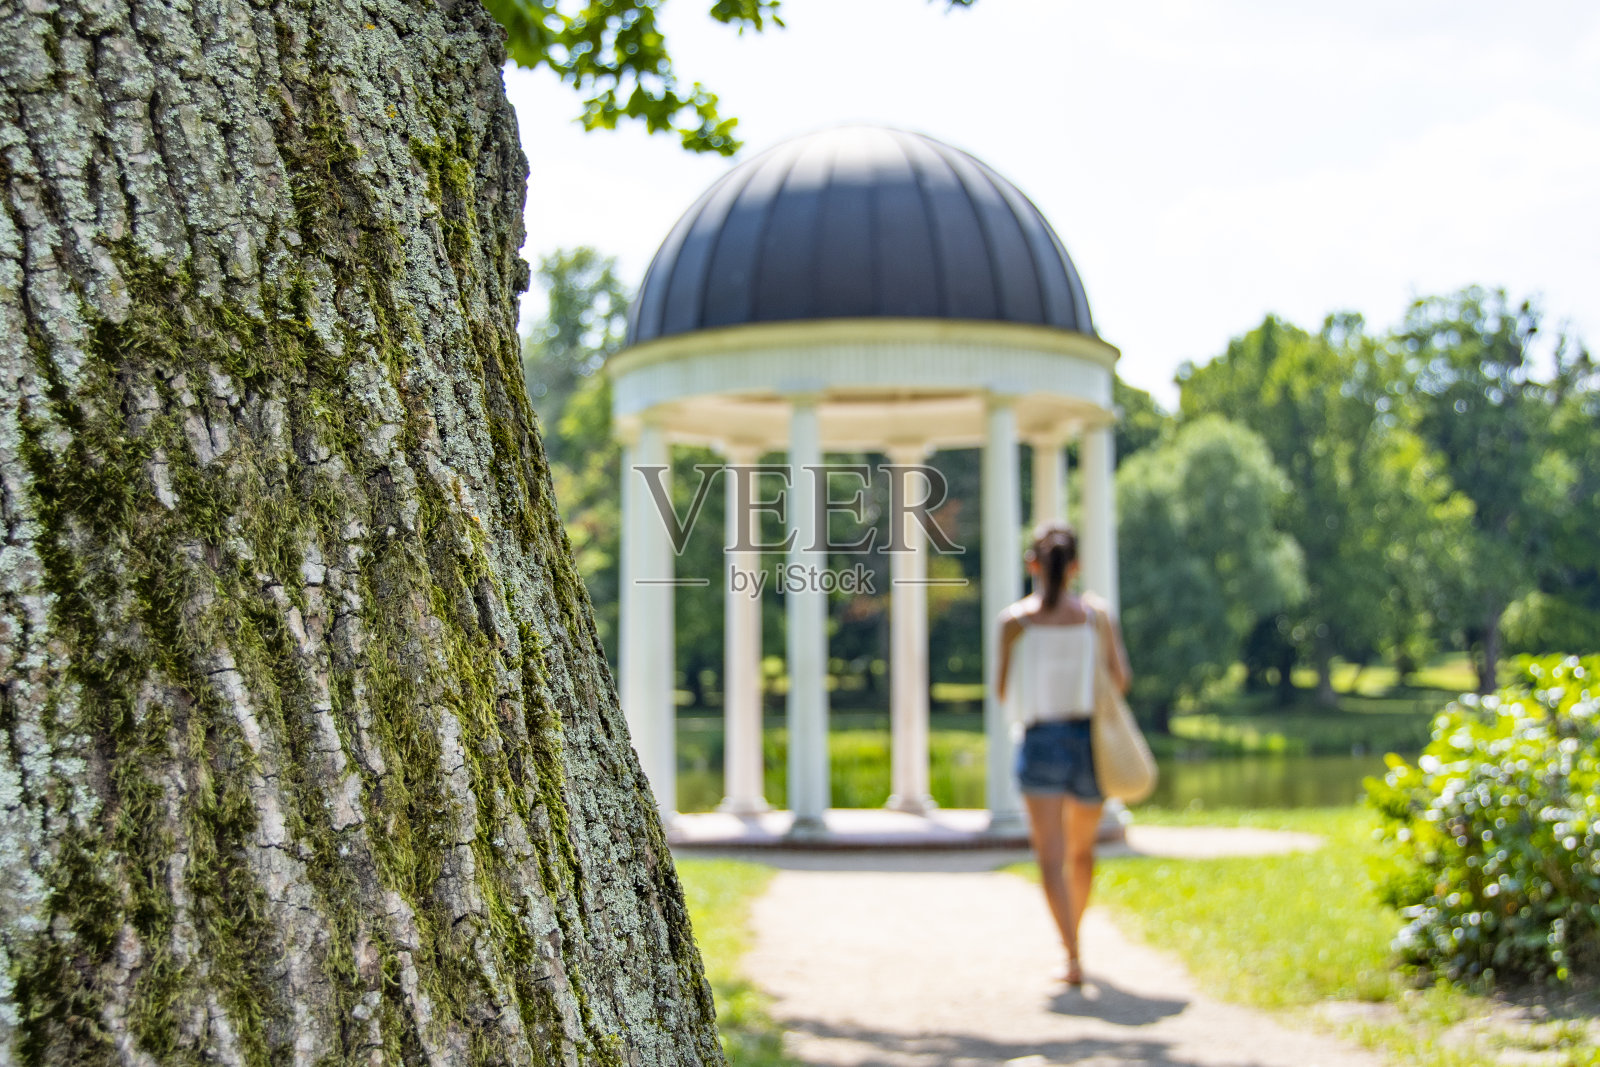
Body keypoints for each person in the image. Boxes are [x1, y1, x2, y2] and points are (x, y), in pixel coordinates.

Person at [995, 520, 1132, 987]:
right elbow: (1120, 679)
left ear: (1032, 564)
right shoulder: (1097, 617)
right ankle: (1076, 943)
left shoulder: (1014, 622)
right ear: (1075, 566)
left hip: (1039, 741)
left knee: (1049, 855)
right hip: (1088, 742)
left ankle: (1071, 954)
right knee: (1081, 852)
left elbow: (1000, 689)